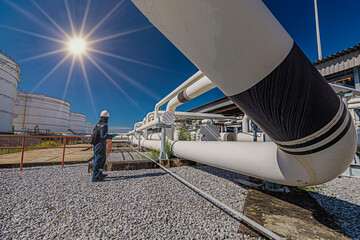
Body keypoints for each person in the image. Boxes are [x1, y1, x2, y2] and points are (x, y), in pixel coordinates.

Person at [92, 110, 112, 182]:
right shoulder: (104, 125)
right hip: (100, 145)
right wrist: (111, 136)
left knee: (97, 159)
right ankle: (95, 177)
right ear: (107, 118)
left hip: (96, 144)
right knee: (100, 160)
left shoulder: (97, 124)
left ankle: (99, 173)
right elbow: (103, 136)